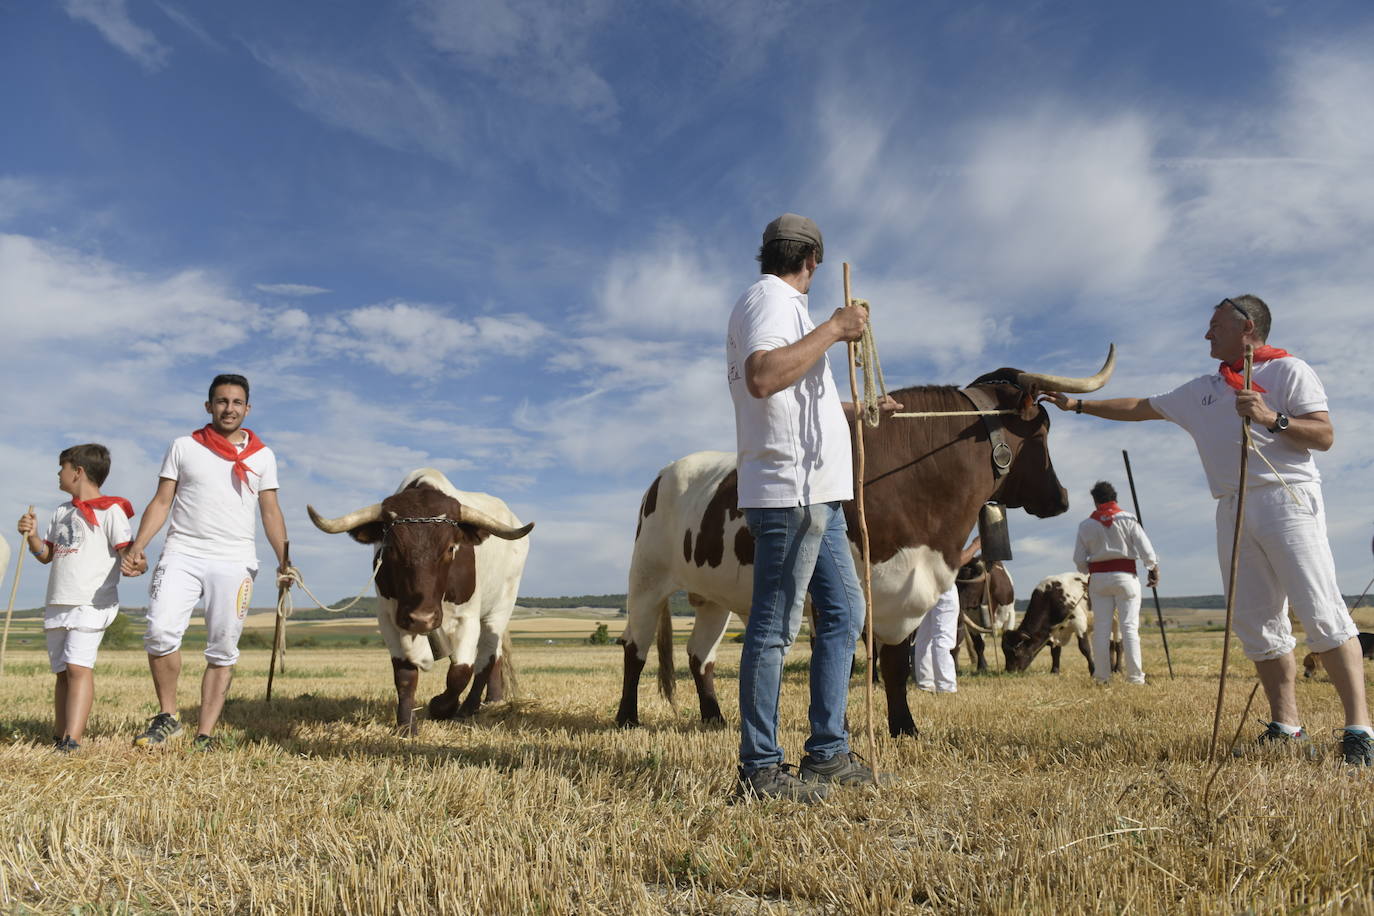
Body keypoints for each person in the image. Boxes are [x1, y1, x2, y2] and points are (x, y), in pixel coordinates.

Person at [1044, 295, 1372, 764]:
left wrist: (1270, 418)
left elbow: (1324, 435)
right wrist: (1077, 405)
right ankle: (1287, 726)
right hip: (1232, 505)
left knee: (1320, 610)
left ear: (1247, 328)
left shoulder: (1288, 371)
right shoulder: (1204, 389)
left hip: (1287, 497)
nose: (1206, 334)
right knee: (1256, 620)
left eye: (1214, 325)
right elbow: (1141, 406)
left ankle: (1359, 730)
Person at [725, 213, 898, 802]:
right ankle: (760, 770)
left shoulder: (782, 309)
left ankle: (826, 753)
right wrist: (835, 327)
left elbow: (797, 395)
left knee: (845, 613)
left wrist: (859, 410)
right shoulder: (771, 300)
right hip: (790, 493)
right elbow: (763, 376)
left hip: (816, 494)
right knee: (774, 629)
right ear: (814, 262)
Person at [121, 374, 291, 751]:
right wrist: (138, 545)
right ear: (208, 406)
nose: (228, 408)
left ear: (247, 408)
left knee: (222, 647)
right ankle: (168, 717)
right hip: (182, 551)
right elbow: (162, 501)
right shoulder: (184, 446)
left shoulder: (263, 456)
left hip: (235, 559)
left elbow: (270, 511)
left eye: (236, 402)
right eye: (221, 401)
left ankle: (205, 733)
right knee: (161, 632)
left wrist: (285, 560)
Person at [16, 444, 134, 753]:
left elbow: (126, 549)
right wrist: (32, 537)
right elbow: (47, 555)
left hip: (91, 602)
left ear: (77, 472)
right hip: (59, 600)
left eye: (62, 468)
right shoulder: (61, 511)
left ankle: (73, 740)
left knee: (78, 667)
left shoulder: (112, 510)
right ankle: (59, 734)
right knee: (62, 672)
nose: (59, 473)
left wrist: (135, 561)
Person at [1073, 480, 1158, 685]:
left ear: (1095, 501)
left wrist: (1089, 572)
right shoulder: (1128, 519)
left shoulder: (1085, 525)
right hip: (1126, 578)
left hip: (1099, 581)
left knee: (1101, 629)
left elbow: (1078, 560)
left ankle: (1102, 678)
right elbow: (1146, 551)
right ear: (1115, 498)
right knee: (1129, 627)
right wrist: (1152, 567)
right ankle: (1136, 678)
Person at [912, 537, 981, 694]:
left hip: (924, 586)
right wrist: (975, 546)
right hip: (944, 587)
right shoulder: (941, 533)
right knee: (943, 638)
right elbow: (954, 562)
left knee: (924, 637)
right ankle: (946, 686)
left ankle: (926, 682)